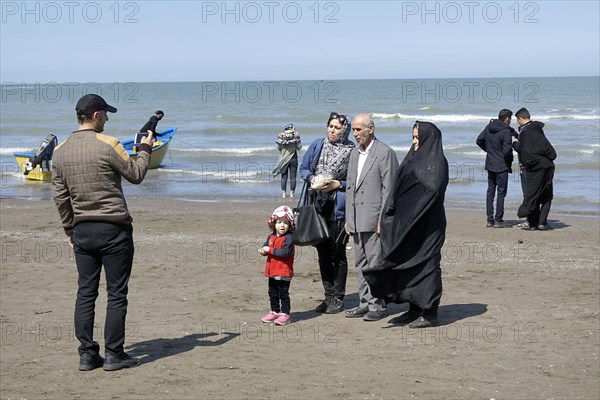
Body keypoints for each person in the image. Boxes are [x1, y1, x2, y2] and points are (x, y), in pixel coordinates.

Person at [52, 94, 154, 371]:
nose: (107, 119)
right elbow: (135, 174)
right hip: (113, 229)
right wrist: (145, 148)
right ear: (96, 115)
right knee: (117, 293)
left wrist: (69, 228)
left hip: (83, 229)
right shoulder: (109, 144)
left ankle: (87, 354)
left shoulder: (60, 151)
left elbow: (60, 197)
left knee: (86, 292)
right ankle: (114, 354)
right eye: (106, 114)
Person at [364, 121, 448, 329]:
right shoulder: (413, 159)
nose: (414, 142)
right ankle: (413, 309)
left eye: (418, 138)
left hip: (427, 227)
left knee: (427, 267)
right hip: (406, 225)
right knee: (405, 264)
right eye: (413, 137)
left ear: (429, 139)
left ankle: (430, 313)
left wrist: (410, 212)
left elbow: (431, 192)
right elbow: (398, 189)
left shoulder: (436, 163)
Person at [344, 114, 399, 322]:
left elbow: (389, 191)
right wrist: (349, 219)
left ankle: (378, 304)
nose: (355, 134)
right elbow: (350, 187)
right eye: (354, 130)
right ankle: (364, 302)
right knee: (360, 263)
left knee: (375, 264)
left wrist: (382, 221)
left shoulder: (385, 153)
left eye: (359, 130)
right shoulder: (354, 154)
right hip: (356, 219)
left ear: (371, 129)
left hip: (375, 219)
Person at [300, 112, 354, 314]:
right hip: (317, 206)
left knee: (338, 253)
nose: (332, 130)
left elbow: (356, 182)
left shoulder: (352, 152)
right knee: (322, 253)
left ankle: (339, 299)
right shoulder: (317, 145)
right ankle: (328, 296)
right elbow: (304, 168)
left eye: (337, 127)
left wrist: (337, 184)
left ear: (344, 130)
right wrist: (313, 179)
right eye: (330, 126)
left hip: (339, 209)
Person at [514, 109, 557, 230]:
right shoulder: (539, 132)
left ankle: (532, 223)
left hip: (531, 169)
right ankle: (542, 223)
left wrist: (514, 144)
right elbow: (552, 154)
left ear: (520, 119)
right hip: (547, 169)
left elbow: (523, 151)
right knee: (547, 196)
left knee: (531, 195)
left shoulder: (524, 133)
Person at [476, 109, 517, 228]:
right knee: (501, 193)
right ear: (507, 119)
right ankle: (498, 220)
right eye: (510, 119)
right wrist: (509, 161)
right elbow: (507, 151)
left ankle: (490, 220)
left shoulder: (489, 126)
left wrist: (489, 151)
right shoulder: (505, 131)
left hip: (491, 163)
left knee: (490, 192)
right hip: (502, 165)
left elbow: (479, 140)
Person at [258, 205, 296, 326]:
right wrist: (263, 251)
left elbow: (285, 253)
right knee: (272, 292)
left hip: (284, 271)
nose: (282, 225)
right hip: (272, 271)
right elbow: (266, 247)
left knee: (283, 294)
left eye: (285, 223)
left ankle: (285, 313)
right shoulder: (271, 236)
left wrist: (270, 250)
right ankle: (275, 311)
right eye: (279, 222)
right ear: (273, 224)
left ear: (290, 225)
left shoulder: (289, 238)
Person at [272, 124, 302, 199]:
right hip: (293, 158)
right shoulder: (295, 136)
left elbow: (278, 147)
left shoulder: (281, 136)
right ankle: (292, 194)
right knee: (293, 177)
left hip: (283, 158)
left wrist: (283, 150)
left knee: (284, 177)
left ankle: (284, 194)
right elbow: (299, 147)